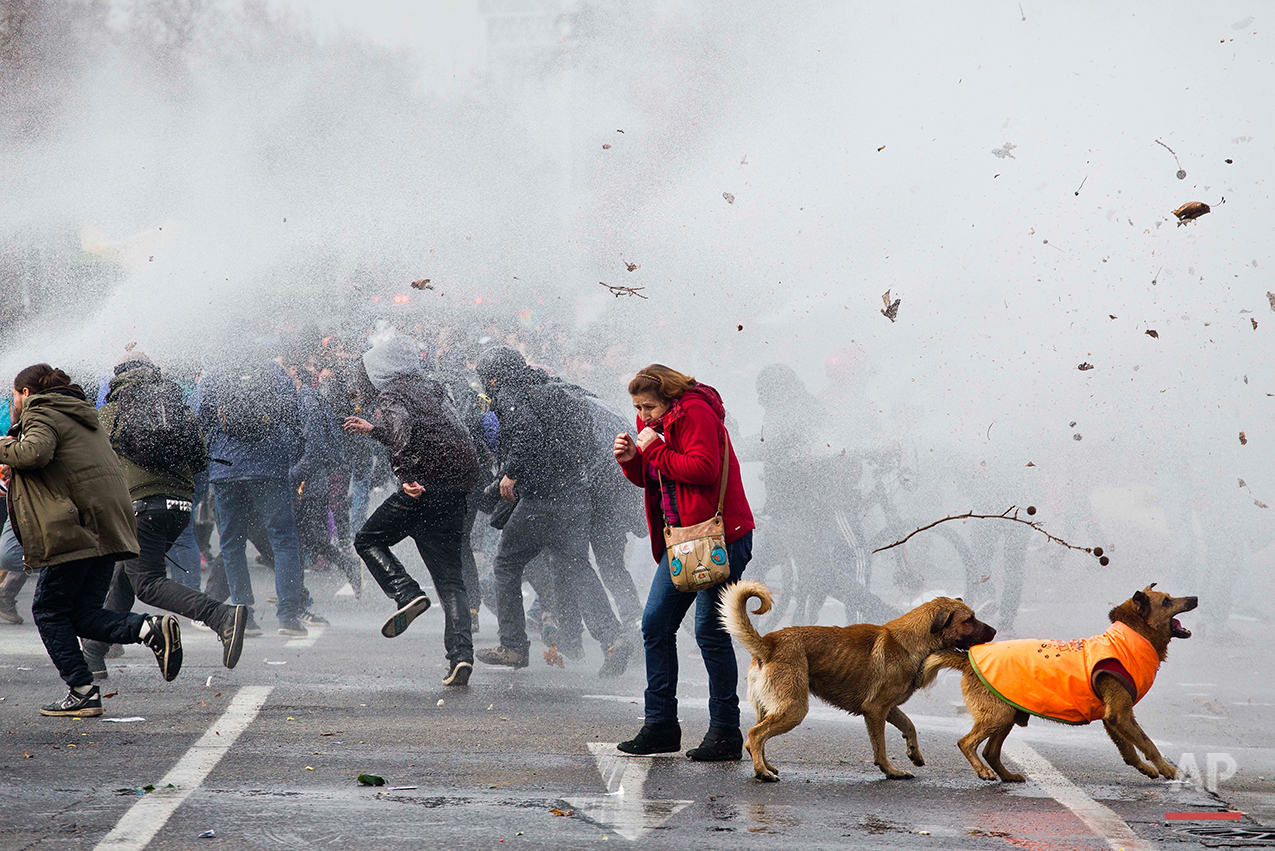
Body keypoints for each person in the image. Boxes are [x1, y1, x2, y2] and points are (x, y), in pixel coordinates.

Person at [0, 364, 181, 717]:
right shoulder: (80, 413)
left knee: (49, 611)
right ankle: (148, 628)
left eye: (13, 394)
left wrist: (4, 446)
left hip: (77, 529)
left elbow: (35, 453)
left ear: (25, 393)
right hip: (106, 527)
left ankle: (82, 690)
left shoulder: (42, 411)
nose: (13, 401)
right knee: (82, 614)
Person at [613, 364, 755, 761]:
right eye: (638, 409)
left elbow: (702, 469)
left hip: (720, 539)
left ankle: (726, 732)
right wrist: (631, 460)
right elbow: (658, 477)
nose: (643, 416)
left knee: (709, 632)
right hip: (684, 543)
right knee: (655, 625)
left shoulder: (695, 412)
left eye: (648, 408)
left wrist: (653, 446)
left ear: (668, 398)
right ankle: (660, 726)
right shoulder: (665, 420)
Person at [81, 353, 247, 678]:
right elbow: (200, 457)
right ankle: (93, 655)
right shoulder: (175, 407)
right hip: (179, 509)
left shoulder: (111, 411)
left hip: (141, 508)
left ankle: (220, 616)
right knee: (126, 578)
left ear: (119, 377)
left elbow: (89, 465)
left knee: (147, 582)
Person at [471, 346, 630, 677]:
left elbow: (528, 434)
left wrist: (511, 472)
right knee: (577, 565)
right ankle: (613, 637)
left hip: (542, 498)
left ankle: (513, 645)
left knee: (506, 563)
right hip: (576, 496)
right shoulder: (553, 390)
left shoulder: (509, 392)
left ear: (493, 377)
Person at [343, 337, 482, 686]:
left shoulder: (393, 394)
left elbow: (403, 430)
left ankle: (406, 593)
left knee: (367, 539)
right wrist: (375, 431)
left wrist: (407, 476)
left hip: (422, 488)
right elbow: (442, 433)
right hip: (455, 490)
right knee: (451, 578)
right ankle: (461, 657)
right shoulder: (432, 388)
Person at [192, 357, 321, 636]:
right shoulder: (274, 371)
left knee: (232, 544)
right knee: (284, 542)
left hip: (225, 471)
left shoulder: (215, 374)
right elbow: (295, 417)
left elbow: (197, 422)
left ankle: (244, 615)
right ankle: (288, 617)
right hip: (270, 469)